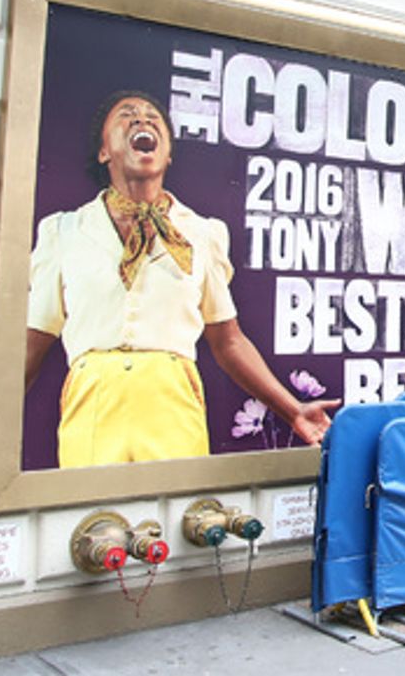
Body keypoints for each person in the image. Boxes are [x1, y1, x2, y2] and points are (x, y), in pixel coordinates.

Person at [25, 90, 340, 468]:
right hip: (92, 409)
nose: (142, 119)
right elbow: (33, 343)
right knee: (92, 507)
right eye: (127, 114)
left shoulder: (202, 233)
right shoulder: (64, 231)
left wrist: (294, 410)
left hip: (173, 408)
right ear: (104, 151)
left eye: (153, 116)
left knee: (176, 506)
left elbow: (228, 341)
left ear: (168, 154)